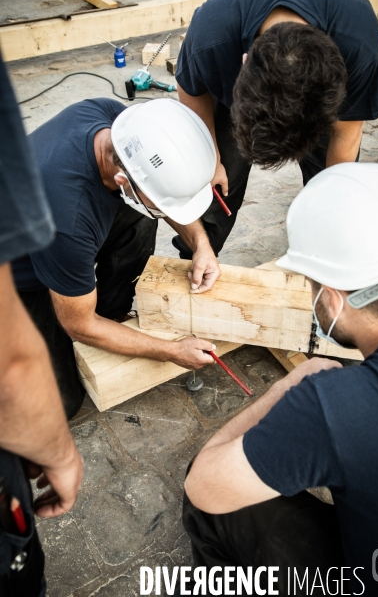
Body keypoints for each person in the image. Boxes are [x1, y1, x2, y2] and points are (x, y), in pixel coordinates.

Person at [181, 163, 378, 596]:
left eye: (309, 284)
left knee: (214, 504)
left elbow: (204, 485)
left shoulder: (339, 404)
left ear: (333, 299)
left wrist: (288, 389)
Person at [12, 98, 221, 420]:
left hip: (57, 232)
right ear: (123, 181)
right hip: (19, 274)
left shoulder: (115, 121)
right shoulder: (69, 221)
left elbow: (159, 192)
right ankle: (91, 320)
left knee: (140, 216)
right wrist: (171, 351)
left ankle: (111, 316)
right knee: (61, 403)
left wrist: (200, 244)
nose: (166, 210)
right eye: (164, 202)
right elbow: (78, 325)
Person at [175, 0, 378, 259]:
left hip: (324, 86)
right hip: (238, 77)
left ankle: (331, 252)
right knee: (213, 181)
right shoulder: (212, 35)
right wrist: (211, 158)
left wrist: (333, 202)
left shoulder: (357, 40)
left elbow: (346, 133)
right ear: (243, 62)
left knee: (333, 190)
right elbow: (190, 88)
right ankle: (199, 254)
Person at [0, 54, 83, 597]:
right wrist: (60, 454)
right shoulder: (70, 220)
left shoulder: (97, 113)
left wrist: (198, 243)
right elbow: (9, 364)